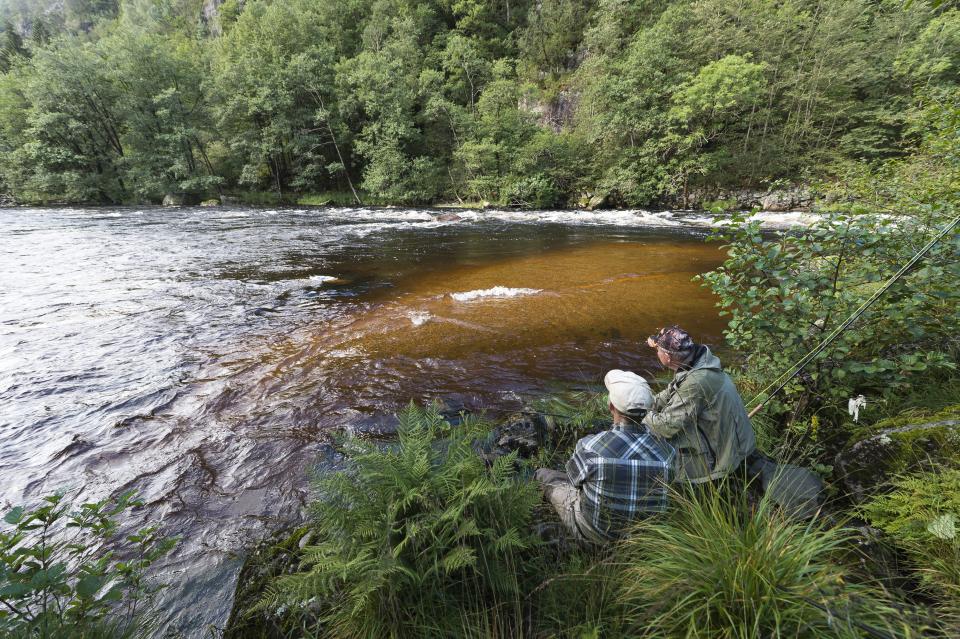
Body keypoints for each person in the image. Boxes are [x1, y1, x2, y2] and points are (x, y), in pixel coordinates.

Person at [535, 370, 675, 543]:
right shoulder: (668, 453)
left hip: (596, 533)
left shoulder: (589, 446)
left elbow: (573, 480)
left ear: (611, 407)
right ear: (646, 411)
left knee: (543, 475)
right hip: (645, 538)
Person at [644, 326, 756, 485]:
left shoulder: (696, 381)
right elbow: (668, 394)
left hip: (727, 456)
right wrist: (642, 403)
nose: (657, 353)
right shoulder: (697, 362)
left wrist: (642, 415)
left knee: (660, 436)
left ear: (668, 357)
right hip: (732, 439)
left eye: (658, 351)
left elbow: (667, 427)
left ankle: (707, 476)